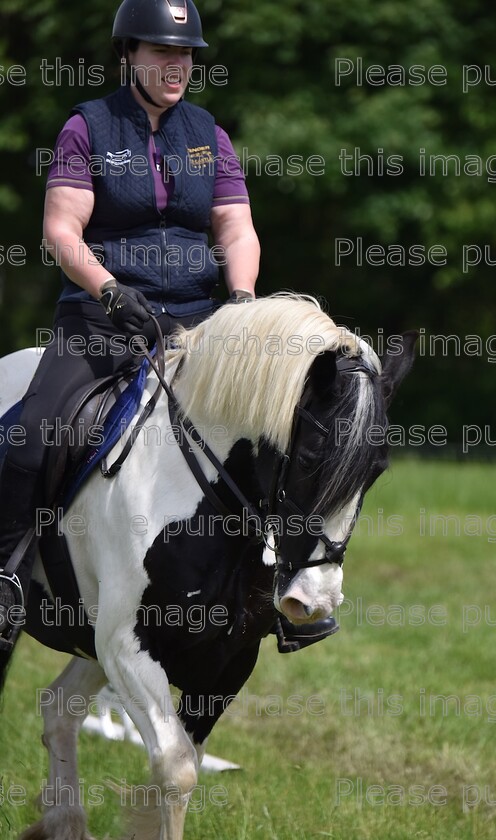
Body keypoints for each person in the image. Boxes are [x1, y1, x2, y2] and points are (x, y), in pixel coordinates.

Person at [0, 0, 336, 653]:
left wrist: (240, 299)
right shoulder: (87, 128)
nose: (176, 65)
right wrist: (110, 290)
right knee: (36, 433)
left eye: (184, 54)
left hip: (194, 323)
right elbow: (61, 231)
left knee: (278, 438)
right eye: (162, 52)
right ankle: (6, 577)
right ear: (129, 54)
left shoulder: (210, 135)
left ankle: (285, 588)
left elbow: (235, 227)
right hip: (100, 322)